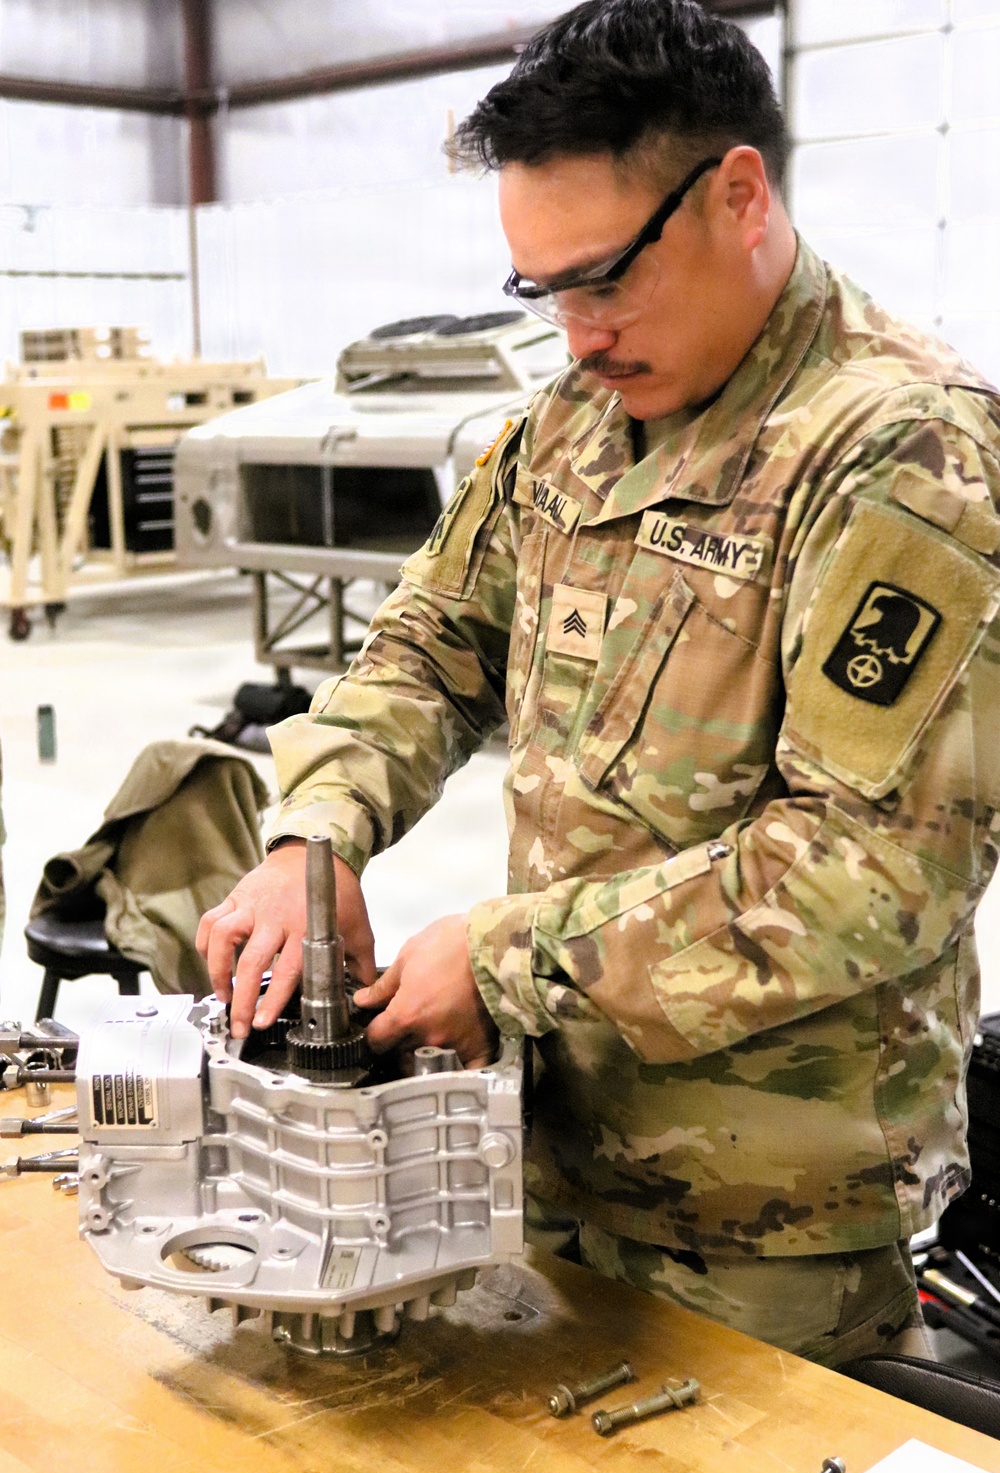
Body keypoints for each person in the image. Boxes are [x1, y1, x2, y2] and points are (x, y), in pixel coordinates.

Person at [197, 0, 1000, 1367]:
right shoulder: (574, 423)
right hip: (544, 1153)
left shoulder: (905, 456)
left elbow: (868, 875)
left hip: (763, 1231)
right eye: (543, 291)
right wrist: (312, 834)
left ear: (738, 195)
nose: (576, 332)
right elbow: (428, 643)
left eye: (604, 277)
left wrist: (504, 957)